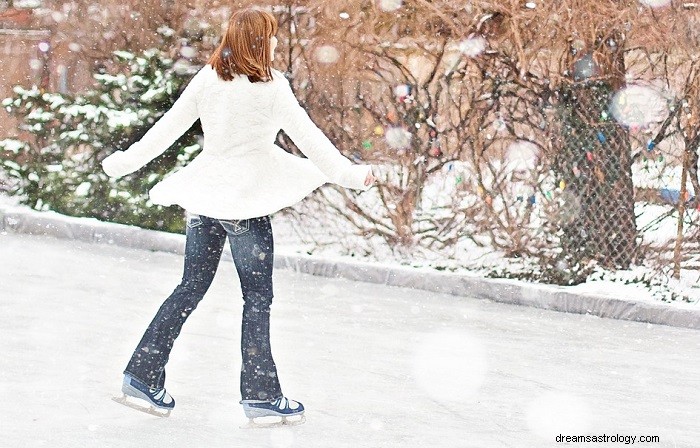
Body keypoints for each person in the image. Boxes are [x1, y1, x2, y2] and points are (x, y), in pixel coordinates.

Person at [101, 7, 375, 423]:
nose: (276, 43)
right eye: (272, 36)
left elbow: (165, 130)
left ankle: (142, 373)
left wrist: (123, 163)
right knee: (257, 298)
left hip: (206, 198)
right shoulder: (271, 87)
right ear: (262, 41)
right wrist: (350, 176)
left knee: (189, 288)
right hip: (244, 203)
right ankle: (261, 395)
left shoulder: (209, 80)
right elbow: (311, 141)